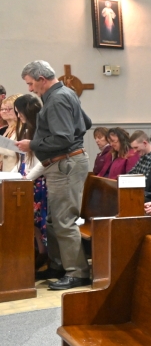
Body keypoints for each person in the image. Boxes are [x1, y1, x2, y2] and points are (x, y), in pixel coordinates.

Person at [17, 61, 93, 290]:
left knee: (63, 220)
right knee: (53, 219)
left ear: (41, 78)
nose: (30, 89)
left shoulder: (58, 98)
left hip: (65, 164)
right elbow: (86, 123)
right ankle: (59, 265)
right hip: (63, 163)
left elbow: (63, 139)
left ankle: (77, 272)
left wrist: (33, 144)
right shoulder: (65, 93)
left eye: (31, 84)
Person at [14, 93, 49, 267]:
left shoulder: (41, 130)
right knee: (32, 221)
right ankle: (40, 252)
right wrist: (15, 175)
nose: (18, 116)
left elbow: (43, 161)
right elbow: (24, 159)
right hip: (29, 178)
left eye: (19, 112)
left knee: (39, 220)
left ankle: (45, 254)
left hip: (39, 181)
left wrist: (27, 178)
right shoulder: (27, 128)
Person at [0, 94, 22, 172]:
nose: (4, 111)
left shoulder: (21, 129)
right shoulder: (7, 128)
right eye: (2, 109)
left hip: (14, 169)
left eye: (8, 109)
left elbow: (14, 150)